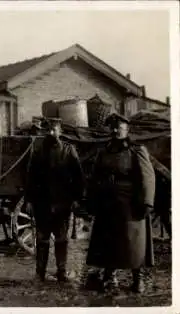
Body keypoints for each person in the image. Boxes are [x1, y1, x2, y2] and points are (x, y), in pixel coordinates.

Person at [85, 113, 155, 294]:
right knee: (108, 241)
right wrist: (92, 201)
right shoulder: (104, 152)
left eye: (119, 128)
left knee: (134, 243)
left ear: (127, 130)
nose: (115, 131)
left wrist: (147, 202)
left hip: (130, 205)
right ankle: (110, 277)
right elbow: (95, 178)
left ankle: (138, 279)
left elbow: (147, 177)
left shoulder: (137, 150)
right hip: (108, 204)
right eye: (113, 128)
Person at [25, 117, 85, 283]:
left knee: (61, 239)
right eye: (48, 130)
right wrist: (29, 200)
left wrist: (76, 199)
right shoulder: (38, 151)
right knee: (42, 239)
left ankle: (61, 271)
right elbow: (30, 177)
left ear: (60, 131)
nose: (51, 133)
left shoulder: (68, 150)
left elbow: (78, 177)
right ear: (45, 132)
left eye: (54, 130)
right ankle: (40, 272)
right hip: (42, 203)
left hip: (62, 203)